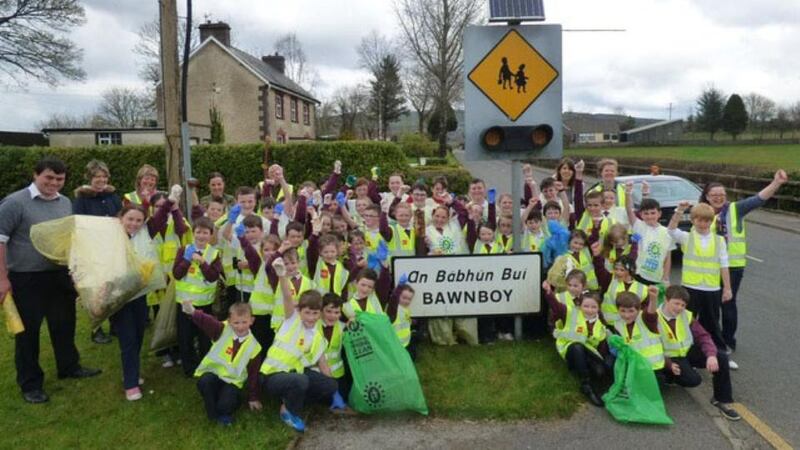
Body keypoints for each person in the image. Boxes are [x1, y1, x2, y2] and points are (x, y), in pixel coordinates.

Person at [0, 157, 101, 404]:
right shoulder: (14, 203)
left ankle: (69, 367)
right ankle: (30, 383)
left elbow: (66, 239)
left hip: (58, 275)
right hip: (26, 278)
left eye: (59, 179)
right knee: (28, 334)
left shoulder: (64, 202)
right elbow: (0, 241)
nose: (54, 183)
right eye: (49, 177)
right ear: (36, 175)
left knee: (64, 325)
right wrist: (2, 279)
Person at [698, 169, 789, 364]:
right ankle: (710, 342)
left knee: (728, 304)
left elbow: (758, 199)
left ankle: (728, 342)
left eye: (722, 195)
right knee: (710, 306)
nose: (718, 198)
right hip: (709, 267)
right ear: (706, 197)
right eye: (714, 195)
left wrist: (776, 183)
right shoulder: (701, 212)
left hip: (733, 266)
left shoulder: (735, 209)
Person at [261, 260, 337, 432]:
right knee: (301, 380)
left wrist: (335, 391)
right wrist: (282, 275)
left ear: (320, 313)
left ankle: (294, 398)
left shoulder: (317, 336)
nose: (311, 317)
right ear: (299, 311)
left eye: (315, 313)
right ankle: (288, 411)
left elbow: (323, 364)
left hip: (294, 375)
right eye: (307, 312)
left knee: (330, 385)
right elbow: (287, 297)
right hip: (272, 376)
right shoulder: (291, 319)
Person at [113, 194, 174, 401]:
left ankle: (131, 372)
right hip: (119, 297)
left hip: (139, 294)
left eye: (139, 220)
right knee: (128, 338)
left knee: (138, 334)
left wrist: (172, 198)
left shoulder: (145, 232)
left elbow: (159, 217)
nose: (134, 224)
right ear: (121, 218)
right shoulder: (111, 236)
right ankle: (130, 383)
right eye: (130, 219)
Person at [657, 285, 740, 421]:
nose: (679, 308)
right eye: (676, 303)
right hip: (669, 358)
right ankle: (669, 376)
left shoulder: (686, 316)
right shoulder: (653, 318)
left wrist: (711, 355)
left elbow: (703, 336)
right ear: (666, 300)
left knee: (721, 357)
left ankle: (721, 400)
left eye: (683, 305)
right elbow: (650, 347)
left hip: (686, 352)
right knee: (693, 380)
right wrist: (668, 364)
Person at [183, 301, 263, 426]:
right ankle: (214, 415)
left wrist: (253, 397)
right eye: (236, 322)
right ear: (230, 321)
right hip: (214, 375)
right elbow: (207, 321)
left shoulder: (255, 347)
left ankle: (225, 408)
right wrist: (193, 312)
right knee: (204, 382)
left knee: (225, 404)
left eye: (244, 322)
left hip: (232, 382)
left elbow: (254, 374)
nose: (240, 327)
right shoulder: (222, 329)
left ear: (251, 320)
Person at [668, 201, 731, 351]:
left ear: (712, 221)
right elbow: (671, 230)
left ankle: (719, 352)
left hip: (711, 288)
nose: (703, 224)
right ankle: (689, 353)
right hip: (690, 287)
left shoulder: (719, 240)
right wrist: (679, 210)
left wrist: (727, 288)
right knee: (686, 321)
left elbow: (724, 265)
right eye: (699, 220)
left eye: (707, 220)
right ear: (693, 220)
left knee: (712, 322)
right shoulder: (686, 237)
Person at [73, 159, 122, 345]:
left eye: (104, 176)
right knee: (96, 291)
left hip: (112, 249)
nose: (101, 180)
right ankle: (97, 329)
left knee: (114, 288)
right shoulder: (81, 199)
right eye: (97, 177)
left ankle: (115, 324)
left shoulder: (113, 197)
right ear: (90, 178)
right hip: (93, 251)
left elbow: (120, 218)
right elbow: (78, 224)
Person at [173, 216, 223, 377]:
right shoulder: (183, 250)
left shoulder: (214, 253)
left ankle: (205, 365)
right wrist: (186, 260)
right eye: (198, 232)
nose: (201, 236)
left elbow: (213, 277)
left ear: (211, 235)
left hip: (204, 303)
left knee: (204, 337)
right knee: (185, 337)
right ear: (193, 233)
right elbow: (177, 274)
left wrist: (202, 263)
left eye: (205, 233)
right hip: (184, 303)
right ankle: (189, 367)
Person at [543, 285, 609, 407]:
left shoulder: (600, 325)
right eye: (586, 306)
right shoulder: (570, 312)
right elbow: (556, 306)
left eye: (593, 307)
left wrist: (602, 363)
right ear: (580, 305)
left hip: (589, 355)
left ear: (598, 308)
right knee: (577, 347)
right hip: (571, 351)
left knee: (600, 372)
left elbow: (601, 347)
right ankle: (586, 385)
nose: (589, 309)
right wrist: (549, 293)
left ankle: (600, 387)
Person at [625, 183, 674, 286]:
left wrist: (665, 278)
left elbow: (667, 258)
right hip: (639, 275)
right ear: (641, 214)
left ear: (659, 214)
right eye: (646, 214)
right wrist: (628, 192)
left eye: (653, 213)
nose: (649, 216)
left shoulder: (667, 232)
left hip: (656, 278)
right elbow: (629, 210)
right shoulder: (639, 226)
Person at [612, 287, 664, 371]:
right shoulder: (618, 324)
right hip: (634, 368)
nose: (627, 315)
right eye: (623, 311)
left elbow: (651, 313)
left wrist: (653, 298)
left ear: (638, 309)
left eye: (631, 311)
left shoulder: (644, 318)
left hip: (653, 367)